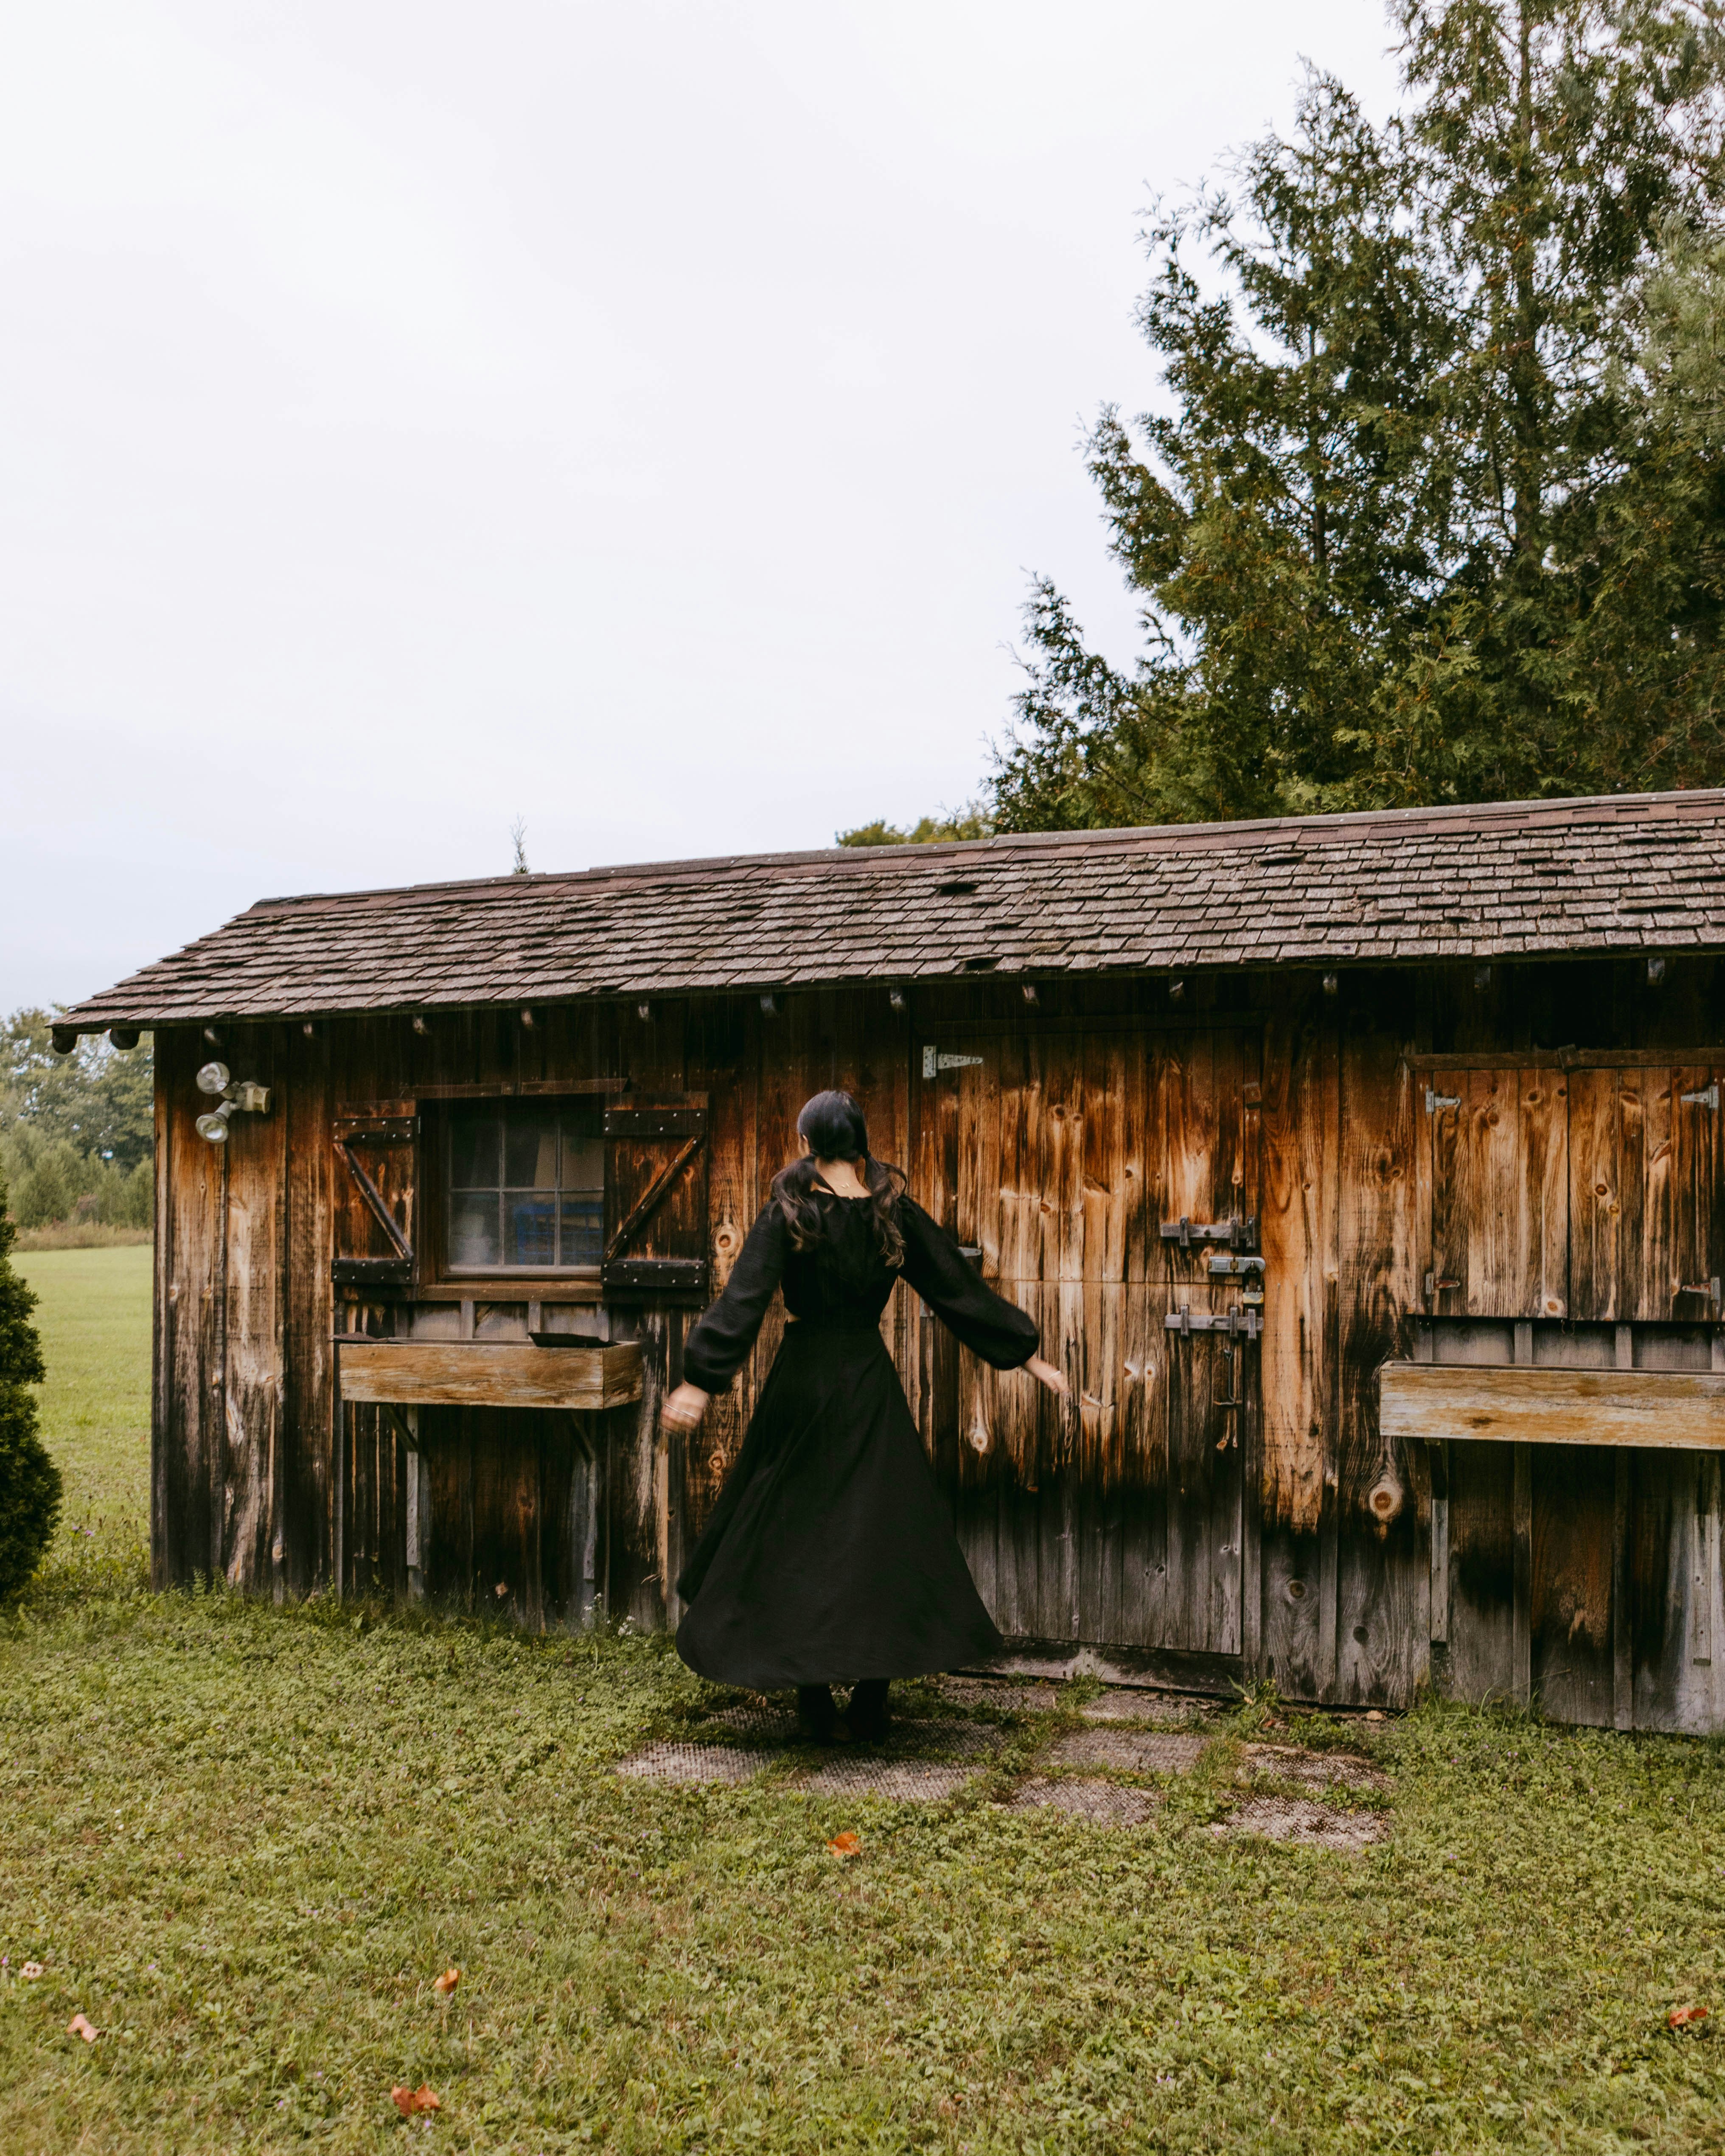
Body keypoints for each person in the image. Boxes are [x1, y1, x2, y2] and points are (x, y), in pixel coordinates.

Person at [661, 1088, 1069, 1741]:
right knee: (884, 1534)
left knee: (796, 1535)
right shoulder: (891, 1210)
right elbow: (957, 1290)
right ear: (859, 1141)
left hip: (804, 1385)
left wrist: (699, 1382)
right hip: (865, 1383)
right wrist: (1029, 1358)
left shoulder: (790, 1209)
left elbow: (744, 1298)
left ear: (807, 1143)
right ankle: (870, 1699)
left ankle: (816, 1697)